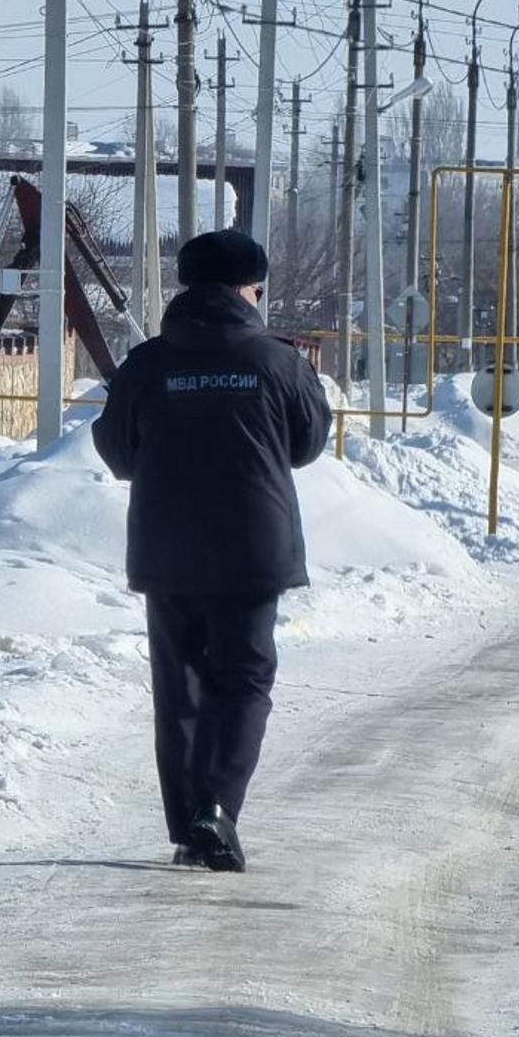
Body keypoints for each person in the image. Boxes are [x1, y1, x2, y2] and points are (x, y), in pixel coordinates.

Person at [91, 228, 331, 872]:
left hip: (166, 549)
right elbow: (307, 445)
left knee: (181, 688)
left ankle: (189, 826)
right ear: (249, 288)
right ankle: (217, 810)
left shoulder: (146, 365)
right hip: (253, 551)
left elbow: (116, 452)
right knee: (244, 681)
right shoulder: (280, 362)